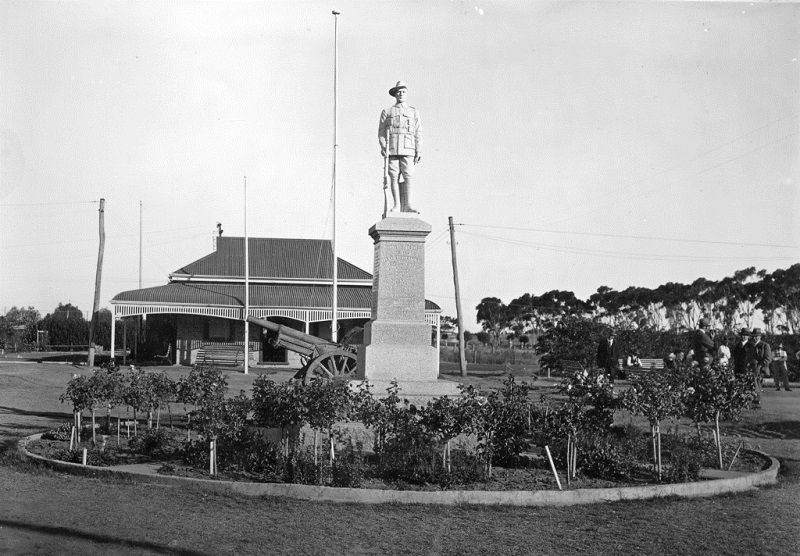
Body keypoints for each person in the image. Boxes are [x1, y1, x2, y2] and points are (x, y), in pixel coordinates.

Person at [378, 81, 422, 213]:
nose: (401, 94)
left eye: (403, 91)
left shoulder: (413, 112)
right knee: (393, 176)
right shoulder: (387, 111)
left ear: (406, 94)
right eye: (399, 92)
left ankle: (408, 204)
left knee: (408, 175)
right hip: (392, 148)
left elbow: (418, 131)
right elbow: (381, 132)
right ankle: (397, 205)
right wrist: (384, 146)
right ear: (395, 94)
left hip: (408, 148)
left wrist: (418, 149)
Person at [749, 328, 772, 403]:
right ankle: (755, 399)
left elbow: (768, 359)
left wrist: (759, 366)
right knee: (753, 383)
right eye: (753, 336)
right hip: (753, 368)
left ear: (760, 337)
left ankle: (757, 399)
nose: (755, 338)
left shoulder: (765, 345)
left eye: (757, 336)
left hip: (762, 369)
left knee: (756, 382)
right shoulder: (752, 346)